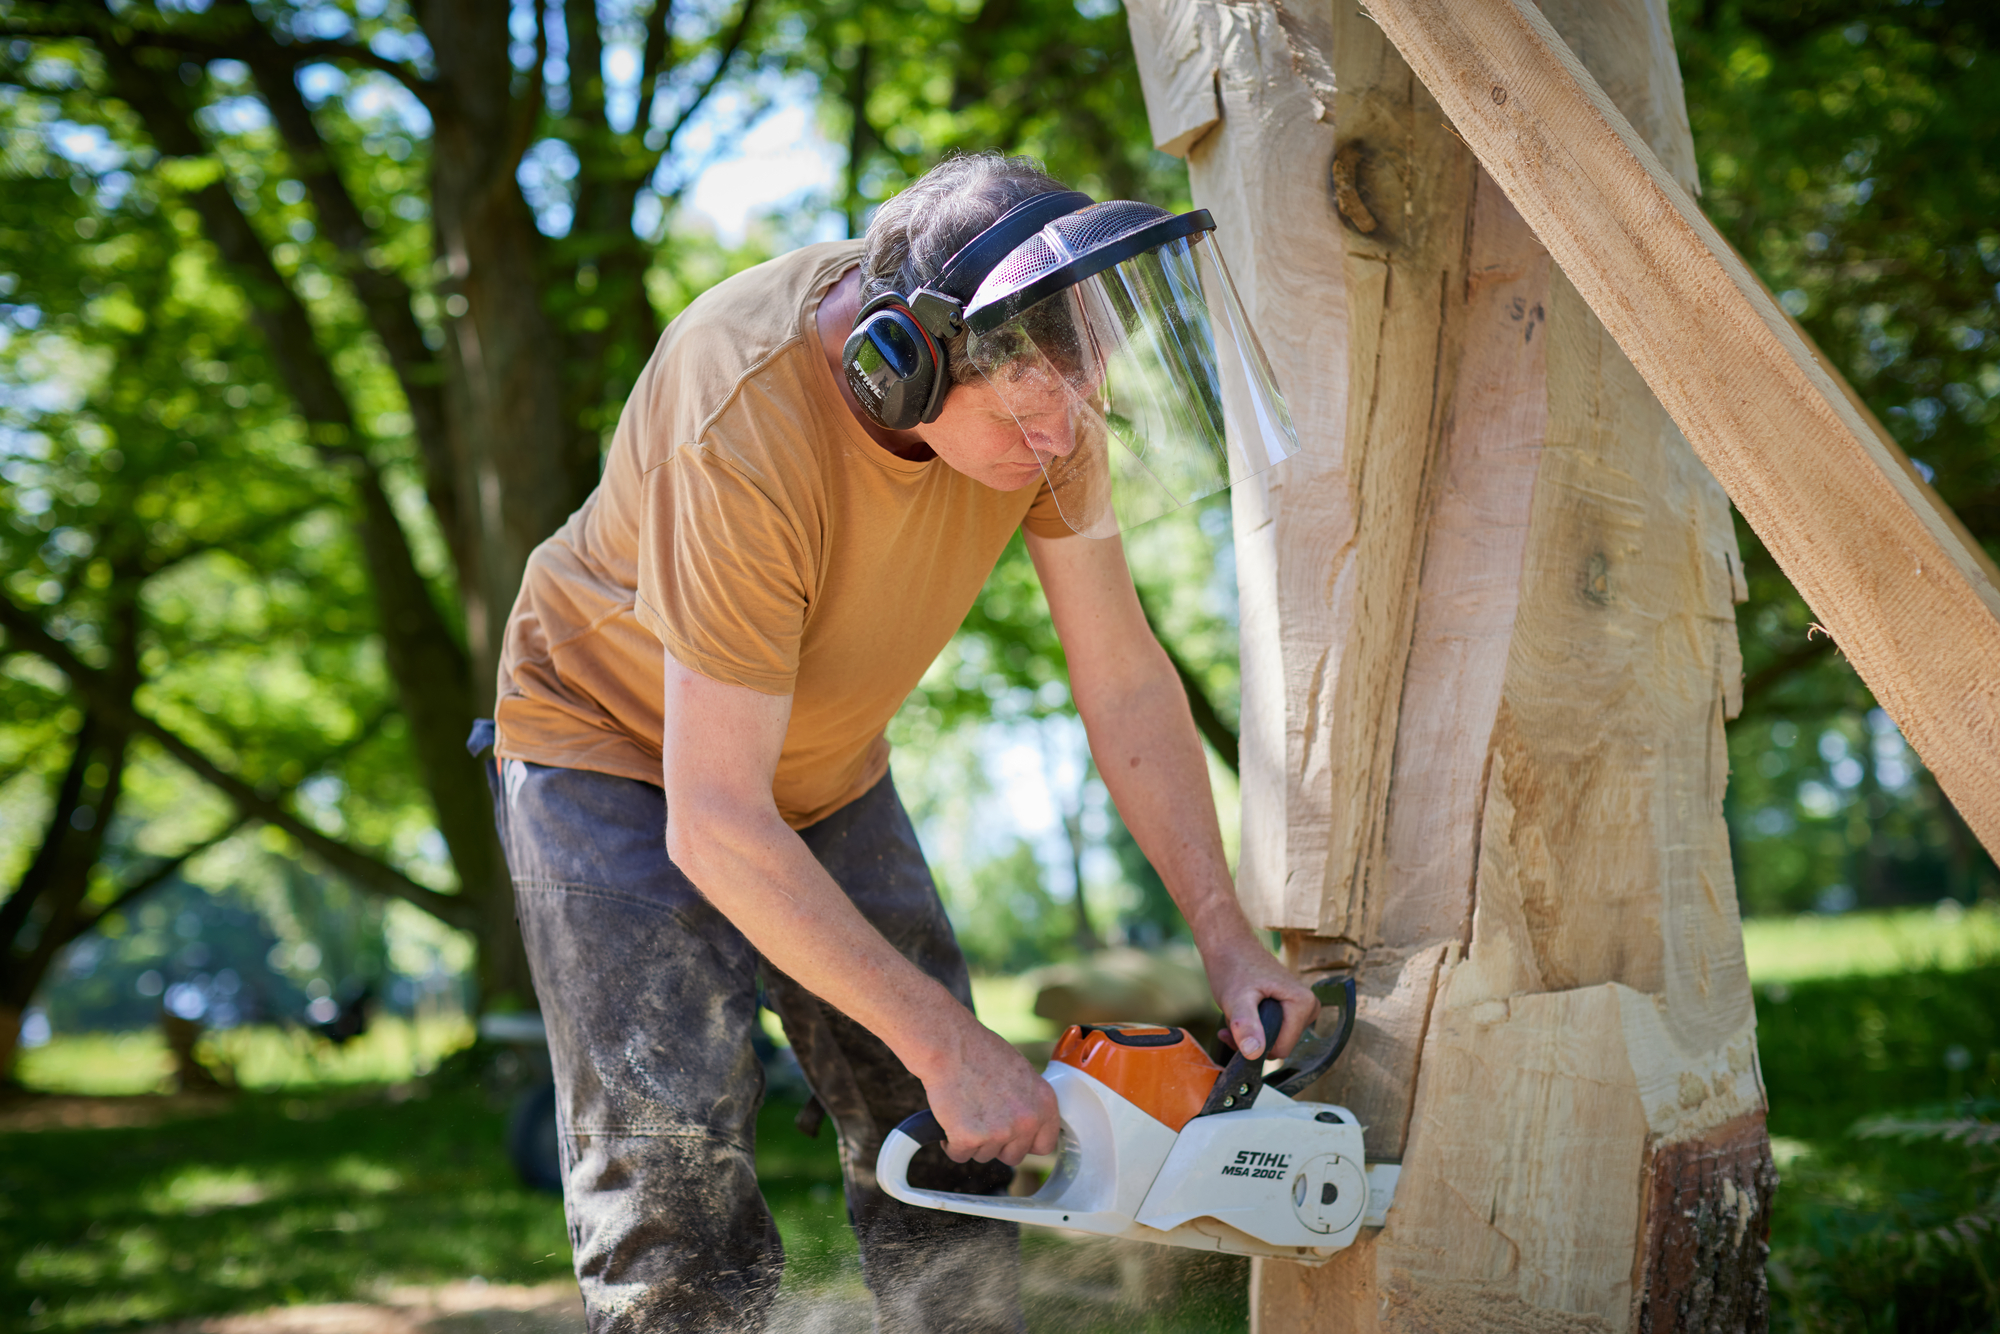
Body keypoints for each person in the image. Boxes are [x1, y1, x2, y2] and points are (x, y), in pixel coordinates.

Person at [477, 151, 1316, 1333]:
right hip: (608, 747)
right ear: (898, 367)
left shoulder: (1045, 387)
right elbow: (712, 819)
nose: (1065, 441)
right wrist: (949, 1038)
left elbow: (1123, 682)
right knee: (669, 1172)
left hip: (821, 764)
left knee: (950, 1146)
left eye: (1083, 405)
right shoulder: (738, 415)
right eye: (1031, 420)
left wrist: (1226, 941)